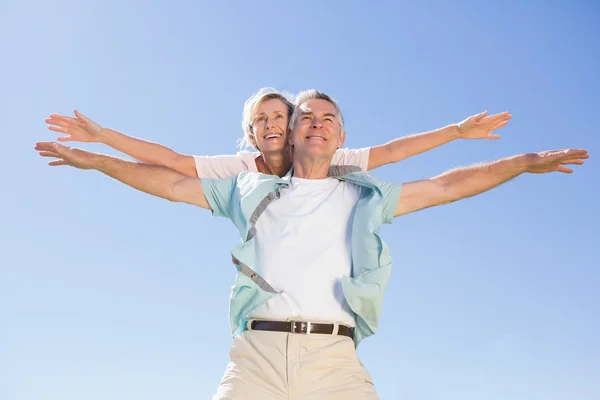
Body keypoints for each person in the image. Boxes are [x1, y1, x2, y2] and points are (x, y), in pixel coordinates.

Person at [35, 90, 588, 399]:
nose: (316, 125)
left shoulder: (363, 193)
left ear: (341, 138)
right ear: (287, 134)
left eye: (329, 120)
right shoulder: (247, 189)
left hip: (334, 361)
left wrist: (520, 163)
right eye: (306, 119)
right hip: (255, 359)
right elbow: (172, 180)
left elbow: (445, 185)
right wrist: (100, 158)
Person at [43, 87, 511, 179]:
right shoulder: (246, 167)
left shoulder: (329, 160)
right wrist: (103, 136)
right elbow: (172, 160)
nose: (270, 124)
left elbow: (391, 151)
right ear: (250, 135)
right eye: (259, 121)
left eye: (278, 118)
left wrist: (456, 130)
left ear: (293, 131)